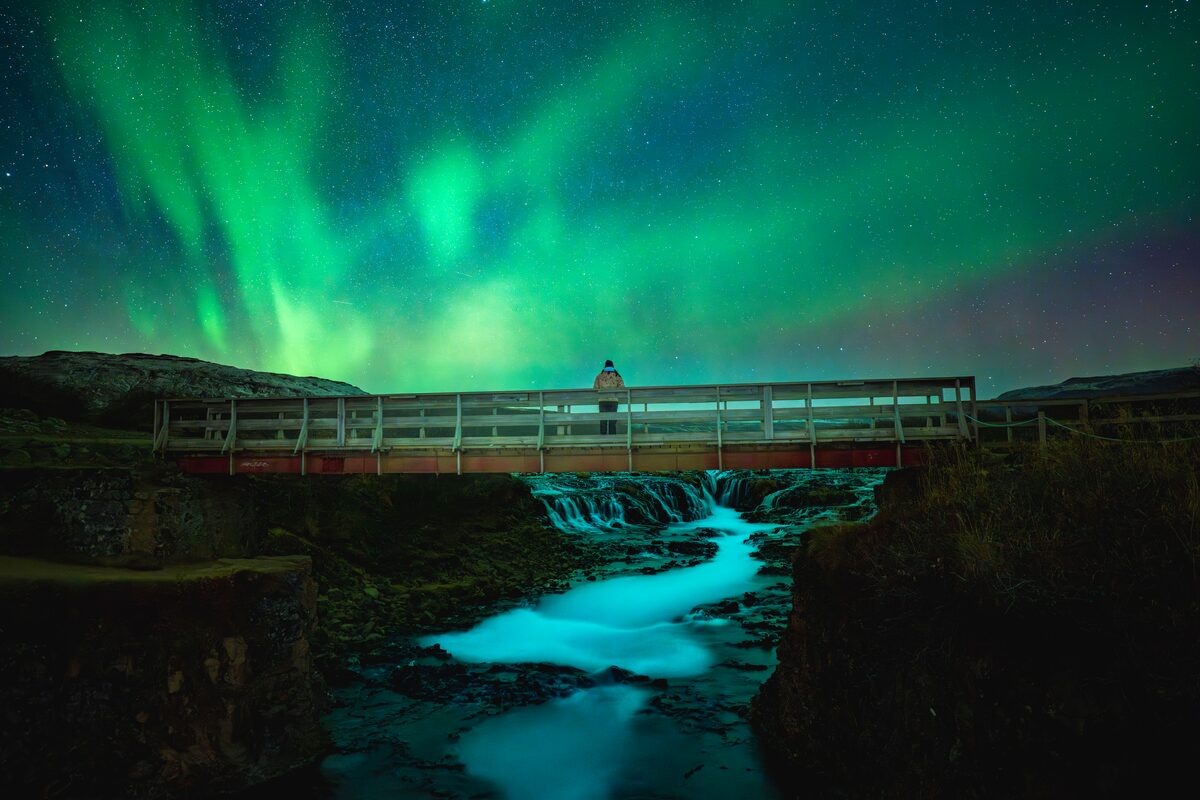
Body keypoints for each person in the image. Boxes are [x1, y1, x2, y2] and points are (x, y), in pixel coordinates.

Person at [592, 359, 625, 435]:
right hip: (613, 400)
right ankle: (612, 438)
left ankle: (603, 438)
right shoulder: (617, 376)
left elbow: (595, 388)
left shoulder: (599, 376)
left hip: (602, 400)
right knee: (612, 421)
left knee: (603, 420)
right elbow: (622, 387)